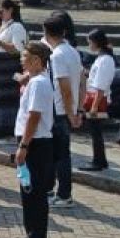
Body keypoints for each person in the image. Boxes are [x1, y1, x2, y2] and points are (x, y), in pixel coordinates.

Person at [11, 42, 55, 238]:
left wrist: (24, 146)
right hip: (33, 142)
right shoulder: (36, 81)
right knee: (29, 191)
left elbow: (34, 116)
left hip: (35, 144)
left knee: (33, 193)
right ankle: (33, 234)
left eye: (25, 56)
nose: (22, 59)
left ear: (37, 60)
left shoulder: (38, 83)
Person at [42, 14, 83, 209]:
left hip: (59, 111)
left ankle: (64, 194)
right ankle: (53, 189)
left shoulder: (57, 55)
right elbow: (82, 81)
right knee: (56, 154)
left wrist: (70, 113)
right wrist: (78, 108)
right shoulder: (72, 51)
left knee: (60, 156)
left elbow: (64, 88)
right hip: (65, 109)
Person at [81, 28, 114, 172]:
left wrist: (94, 106)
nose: (89, 45)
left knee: (96, 131)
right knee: (95, 131)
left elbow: (101, 85)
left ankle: (98, 160)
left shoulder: (105, 60)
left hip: (97, 98)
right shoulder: (102, 58)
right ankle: (100, 159)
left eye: (90, 42)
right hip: (95, 96)